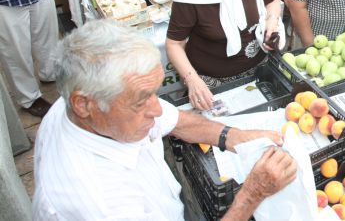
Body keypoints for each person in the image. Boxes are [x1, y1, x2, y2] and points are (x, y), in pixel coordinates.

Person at [33, 19, 295, 220]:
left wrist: (237, 137)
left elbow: (175, 120)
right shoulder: (102, 203)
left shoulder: (89, 105)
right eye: (140, 100)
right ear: (84, 105)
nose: (157, 109)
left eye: (154, 93)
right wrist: (251, 195)